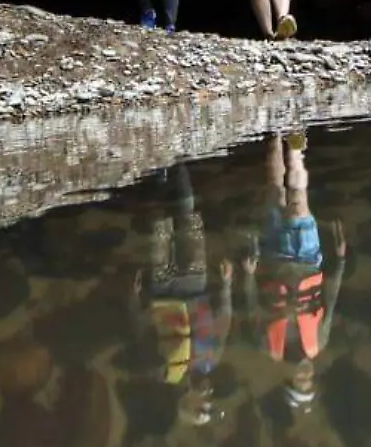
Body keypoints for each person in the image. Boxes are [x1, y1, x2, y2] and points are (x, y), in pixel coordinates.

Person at [242, 132, 346, 419]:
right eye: (309, 381)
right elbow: (332, 298)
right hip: (308, 260)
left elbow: (253, 309)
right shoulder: (319, 343)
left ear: (288, 378)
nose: (305, 375)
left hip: (273, 258)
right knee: (299, 201)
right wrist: (341, 260)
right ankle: (296, 143)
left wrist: (248, 276)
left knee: (274, 189)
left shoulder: (268, 346)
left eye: (299, 381)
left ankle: (275, 132)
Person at [129, 164, 233, 427]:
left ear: (185, 402)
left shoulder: (163, 372)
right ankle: (180, 167)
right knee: (190, 221)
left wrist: (135, 298)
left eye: (202, 406)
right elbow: (224, 321)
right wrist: (227, 285)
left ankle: (157, 172)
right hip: (196, 286)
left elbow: (141, 332)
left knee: (160, 226)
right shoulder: (212, 360)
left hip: (162, 293)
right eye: (210, 402)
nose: (208, 396)